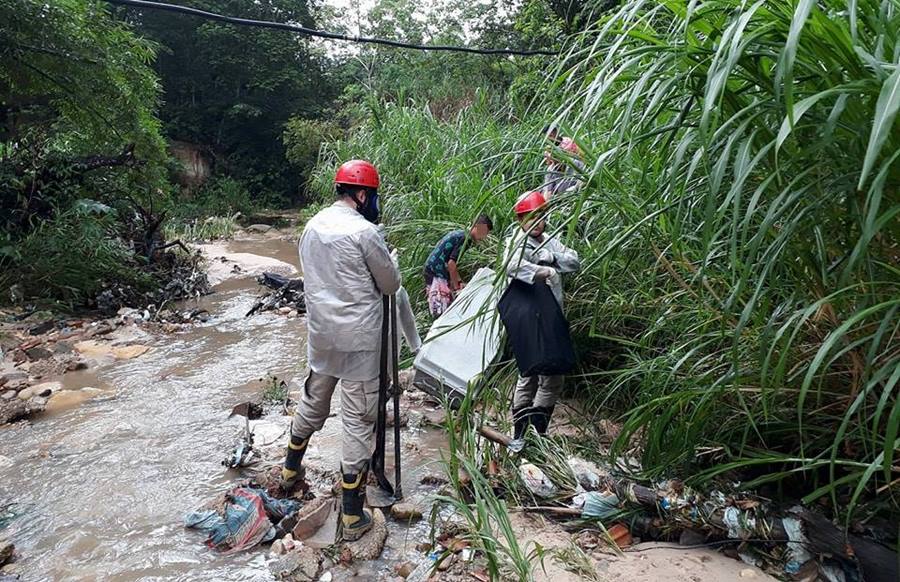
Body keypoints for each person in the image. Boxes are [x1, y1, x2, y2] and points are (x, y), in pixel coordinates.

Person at [280, 159, 400, 541]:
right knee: (358, 418)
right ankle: (351, 514)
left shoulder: (312, 226)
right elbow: (390, 283)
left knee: (314, 399)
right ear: (362, 195)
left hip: (322, 336)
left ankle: (289, 470)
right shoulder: (365, 233)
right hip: (360, 342)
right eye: (373, 196)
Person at [502, 190, 580, 439]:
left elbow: (574, 261)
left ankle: (537, 434)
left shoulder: (550, 240)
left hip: (551, 317)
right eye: (529, 218)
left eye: (539, 217)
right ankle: (520, 435)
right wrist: (540, 271)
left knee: (552, 376)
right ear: (520, 220)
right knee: (529, 372)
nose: (535, 223)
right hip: (528, 320)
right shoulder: (517, 240)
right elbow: (511, 265)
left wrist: (552, 258)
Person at [423, 214, 493, 317]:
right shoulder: (466, 239)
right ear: (477, 226)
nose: (484, 236)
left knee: (438, 306)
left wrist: (458, 281)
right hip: (437, 271)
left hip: (431, 268)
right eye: (485, 232)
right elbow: (452, 264)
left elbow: (450, 263)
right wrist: (457, 289)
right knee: (441, 309)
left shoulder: (461, 234)